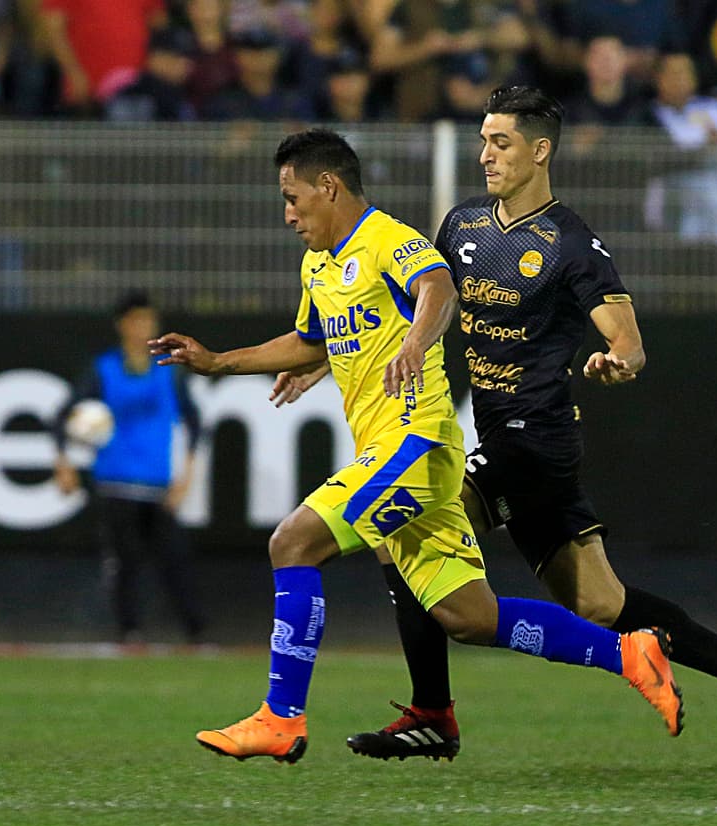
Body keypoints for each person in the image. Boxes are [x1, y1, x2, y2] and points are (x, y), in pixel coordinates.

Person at [274, 88, 717, 762]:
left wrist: (620, 359)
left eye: (500, 142)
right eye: (482, 140)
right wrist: (321, 362)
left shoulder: (570, 242)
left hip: (537, 442)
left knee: (400, 529)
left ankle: (432, 712)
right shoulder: (462, 226)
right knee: (600, 603)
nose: (485, 155)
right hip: (500, 440)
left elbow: (629, 339)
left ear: (540, 151)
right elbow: (407, 312)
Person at [151, 128, 683, 764]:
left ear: (330, 186)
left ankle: (281, 717)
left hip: (416, 443)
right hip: (399, 454)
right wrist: (218, 362)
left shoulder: (387, 239)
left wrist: (414, 341)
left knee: (292, 542)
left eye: (293, 198)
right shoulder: (318, 264)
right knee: (470, 617)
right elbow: (308, 338)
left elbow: (439, 287)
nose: (288, 214)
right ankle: (630, 653)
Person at [52, 291, 206, 645]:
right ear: (122, 325)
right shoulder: (104, 369)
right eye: (137, 321)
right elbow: (63, 416)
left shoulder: (169, 372)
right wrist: (63, 463)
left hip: (157, 483)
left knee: (175, 559)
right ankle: (129, 633)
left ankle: (196, 633)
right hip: (115, 482)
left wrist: (187, 474)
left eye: (149, 321)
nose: (144, 328)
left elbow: (194, 421)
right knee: (125, 562)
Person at [644, 52, 717, 245]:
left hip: (712, 207)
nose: (679, 80)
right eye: (673, 73)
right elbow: (660, 159)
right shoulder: (649, 115)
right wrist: (704, 153)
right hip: (670, 207)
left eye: (684, 73)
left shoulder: (711, 109)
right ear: (659, 79)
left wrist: (705, 152)